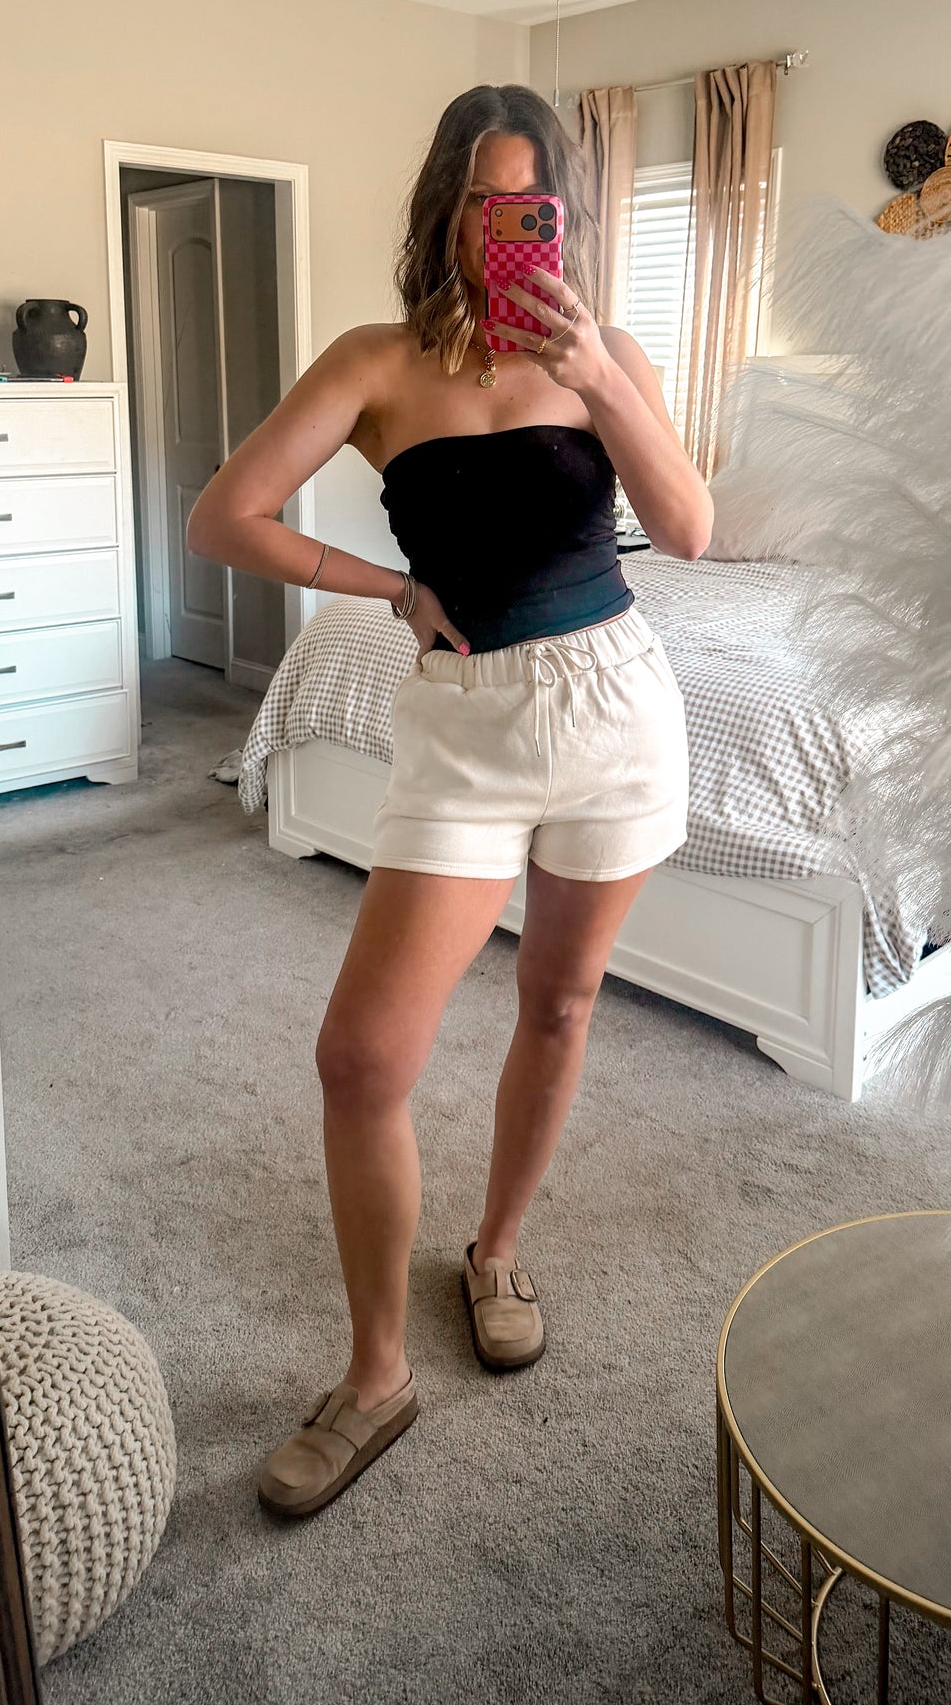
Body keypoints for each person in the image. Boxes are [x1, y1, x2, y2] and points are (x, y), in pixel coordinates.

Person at [187, 82, 712, 1517]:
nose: (505, 230)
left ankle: (496, 1252)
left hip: (615, 707)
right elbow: (225, 516)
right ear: (446, 212)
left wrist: (602, 378)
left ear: (564, 217)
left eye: (530, 205)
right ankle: (376, 1376)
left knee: (562, 1003)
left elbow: (689, 528)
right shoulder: (376, 362)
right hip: (463, 729)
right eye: (484, 204)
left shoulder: (610, 356)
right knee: (362, 1060)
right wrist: (389, 588)